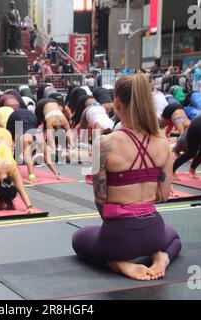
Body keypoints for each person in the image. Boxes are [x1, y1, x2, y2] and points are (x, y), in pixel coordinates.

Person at [72, 73, 181, 281]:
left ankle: (118, 262)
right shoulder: (163, 144)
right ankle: (161, 257)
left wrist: (119, 229)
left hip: (119, 234)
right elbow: (163, 195)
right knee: (174, 237)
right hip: (153, 229)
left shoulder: (102, 144)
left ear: (116, 103)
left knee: (79, 238)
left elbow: (100, 199)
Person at [6, 109, 59, 181]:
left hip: (30, 117)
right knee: (9, 140)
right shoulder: (38, 139)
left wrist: (57, 173)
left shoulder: (38, 140)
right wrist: (56, 173)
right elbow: (33, 162)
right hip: (18, 116)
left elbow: (31, 162)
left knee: (14, 143)